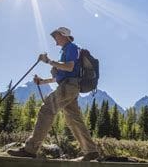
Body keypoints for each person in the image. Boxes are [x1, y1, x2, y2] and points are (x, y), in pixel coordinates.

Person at [7, 27, 99, 161]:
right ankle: (91, 151)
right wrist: (43, 81)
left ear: (64, 35)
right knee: (74, 119)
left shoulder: (71, 47)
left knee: (47, 109)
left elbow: (69, 67)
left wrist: (49, 61)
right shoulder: (66, 50)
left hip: (69, 86)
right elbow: (62, 75)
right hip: (70, 86)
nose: (54, 39)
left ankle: (30, 149)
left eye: (56, 36)